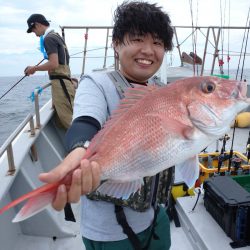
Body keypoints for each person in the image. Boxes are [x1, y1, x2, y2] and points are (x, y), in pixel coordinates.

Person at [39, 1, 174, 249]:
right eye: (137, 40)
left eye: (157, 43)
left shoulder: (162, 91)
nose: (148, 50)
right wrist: (80, 149)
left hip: (156, 216)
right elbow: (85, 122)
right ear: (116, 43)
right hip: (111, 232)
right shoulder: (97, 83)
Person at [25, 14, 75, 129]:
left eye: (33, 30)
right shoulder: (56, 36)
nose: (34, 34)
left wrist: (34, 69)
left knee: (69, 121)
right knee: (66, 117)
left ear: (37, 25)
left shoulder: (48, 39)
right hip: (64, 83)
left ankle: (86, 145)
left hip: (61, 85)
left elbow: (54, 63)